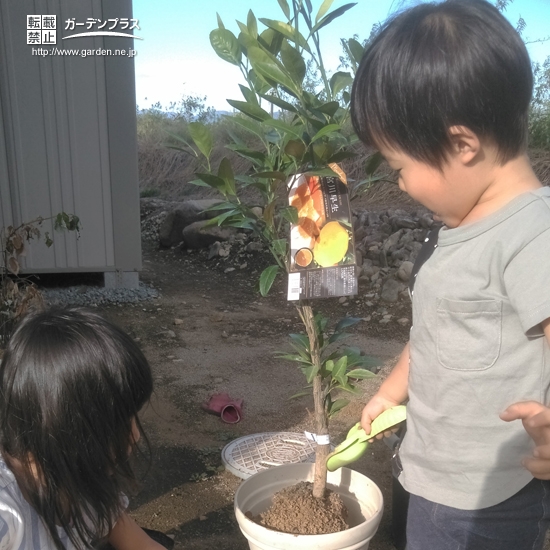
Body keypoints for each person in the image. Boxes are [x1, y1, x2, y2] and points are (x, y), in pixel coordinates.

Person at [350, 0, 550, 548]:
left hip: (491, 499)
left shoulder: (534, 233)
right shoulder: (457, 232)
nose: (402, 185)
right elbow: (435, 331)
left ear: (462, 145)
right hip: (433, 476)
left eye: (401, 168)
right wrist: (392, 392)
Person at [0, 308, 166, 549]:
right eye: (118, 423)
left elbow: (140, 544)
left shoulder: (84, 482)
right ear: (66, 432)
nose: (136, 435)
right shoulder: (7, 515)